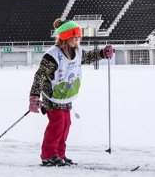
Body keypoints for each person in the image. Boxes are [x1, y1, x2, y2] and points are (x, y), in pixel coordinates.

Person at [29, 18, 114, 167]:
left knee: (66, 123)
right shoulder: (52, 55)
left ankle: (60, 154)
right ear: (65, 38)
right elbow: (40, 75)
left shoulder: (77, 51)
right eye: (74, 37)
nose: (76, 40)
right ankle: (48, 155)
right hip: (53, 96)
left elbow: (88, 57)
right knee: (57, 124)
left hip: (65, 95)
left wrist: (102, 53)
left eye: (78, 37)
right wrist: (34, 96)